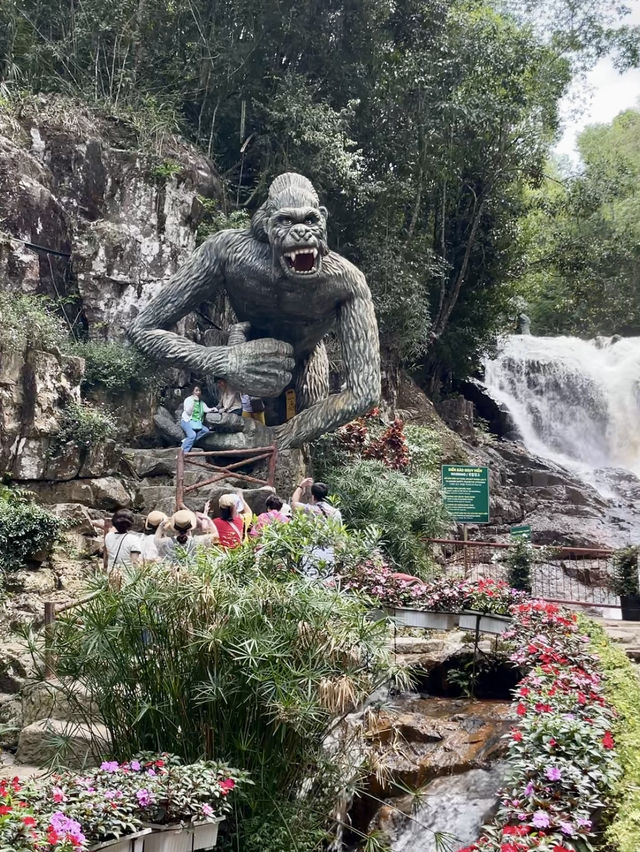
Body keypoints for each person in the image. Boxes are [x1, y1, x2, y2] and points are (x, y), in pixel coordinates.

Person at [181, 385, 213, 453]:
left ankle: (187, 440)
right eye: (196, 390)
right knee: (192, 435)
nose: (198, 392)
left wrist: (212, 409)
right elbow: (188, 412)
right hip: (187, 421)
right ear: (193, 392)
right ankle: (183, 453)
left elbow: (206, 409)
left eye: (199, 390)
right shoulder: (188, 400)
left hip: (196, 422)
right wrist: (194, 402)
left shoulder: (201, 402)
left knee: (206, 430)